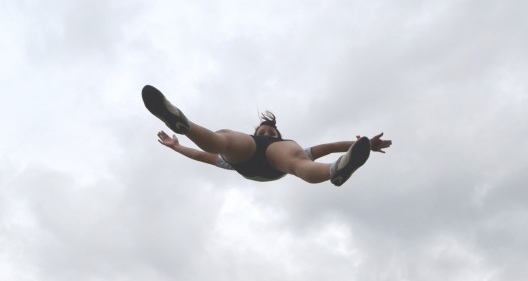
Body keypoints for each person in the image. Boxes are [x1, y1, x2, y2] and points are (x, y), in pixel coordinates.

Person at [141, 85, 391, 187]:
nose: (267, 133)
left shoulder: (284, 146)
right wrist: (177, 146)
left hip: (276, 163)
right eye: (262, 132)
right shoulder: (250, 142)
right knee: (225, 139)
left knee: (296, 159)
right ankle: (184, 124)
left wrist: (363, 145)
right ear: (256, 133)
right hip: (245, 157)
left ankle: (334, 171)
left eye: (271, 132)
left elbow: (332, 145)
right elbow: (200, 154)